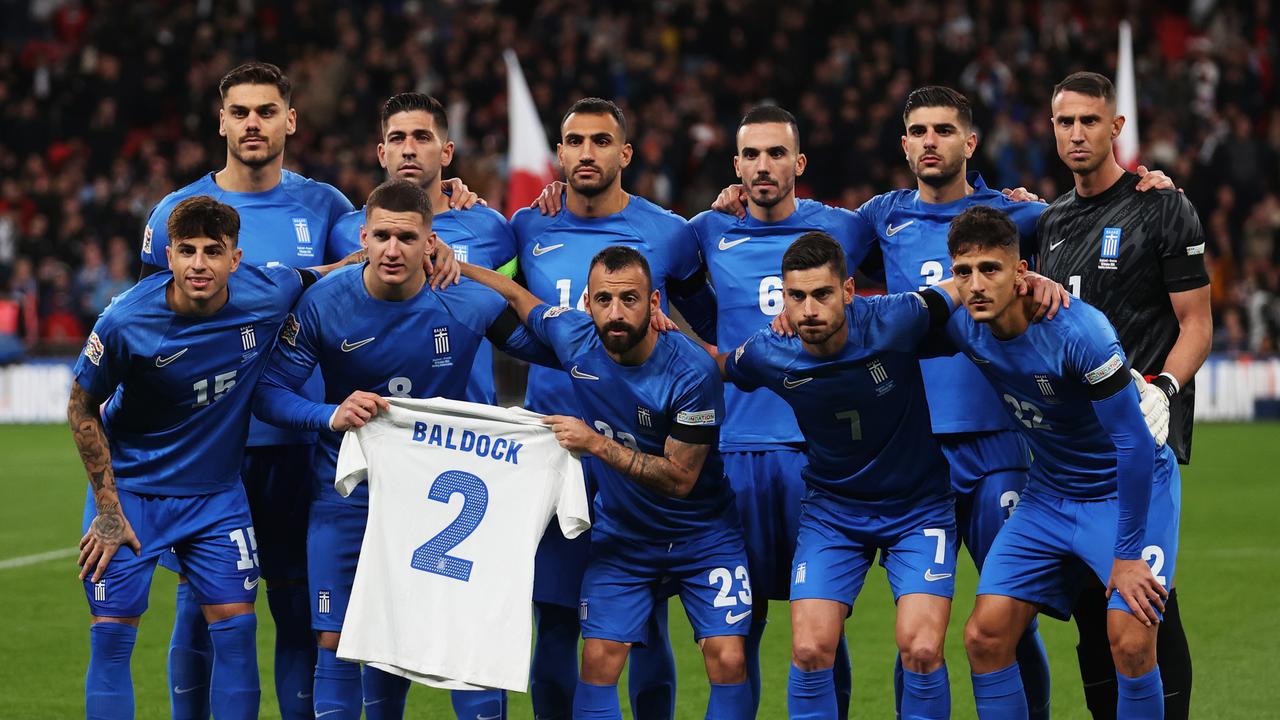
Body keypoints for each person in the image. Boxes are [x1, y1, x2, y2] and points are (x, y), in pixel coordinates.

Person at [709, 88, 1178, 718]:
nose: (931, 141)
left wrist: (1140, 185)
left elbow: (1085, 212)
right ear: (903, 144)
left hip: (998, 450)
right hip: (919, 447)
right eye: (918, 131)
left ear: (970, 142)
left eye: (944, 130)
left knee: (1012, 622)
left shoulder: (1020, 218)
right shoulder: (875, 218)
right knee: (923, 635)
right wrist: (740, 201)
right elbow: (808, 247)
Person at [252, 179, 554, 720]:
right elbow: (269, 393)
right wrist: (329, 414)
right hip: (347, 498)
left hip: (439, 502)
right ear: (363, 237)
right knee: (335, 641)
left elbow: (552, 347)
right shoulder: (323, 302)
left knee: (466, 635)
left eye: (408, 238)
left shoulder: (466, 302)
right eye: (383, 236)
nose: (394, 250)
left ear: (430, 242)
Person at [70, 196, 361, 720]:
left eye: (212, 251)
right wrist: (108, 509)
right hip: (134, 494)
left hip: (217, 498)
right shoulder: (126, 320)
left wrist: (379, 256)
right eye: (186, 251)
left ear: (236, 258)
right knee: (112, 637)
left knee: (236, 629)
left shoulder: (266, 290)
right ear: (169, 255)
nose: (199, 264)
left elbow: (322, 273)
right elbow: (81, 406)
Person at [135, 61, 356, 720]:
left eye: (266, 111)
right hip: (207, 450)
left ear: (291, 119)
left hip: (296, 441)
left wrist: (446, 196)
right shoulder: (176, 214)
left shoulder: (327, 208)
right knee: (201, 611)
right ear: (222, 120)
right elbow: (150, 326)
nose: (253, 123)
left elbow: (387, 248)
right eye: (241, 112)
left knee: (295, 607)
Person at [460, 246, 753, 720]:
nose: (615, 313)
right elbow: (514, 293)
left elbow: (679, 478)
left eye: (630, 299)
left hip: (704, 537)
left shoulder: (692, 373)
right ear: (588, 302)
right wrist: (450, 266)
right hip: (625, 538)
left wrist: (595, 444)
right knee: (597, 661)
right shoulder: (577, 339)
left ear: (654, 302)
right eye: (602, 300)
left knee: (728, 656)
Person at [510, 97, 717, 719]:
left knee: (644, 617)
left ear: (624, 154)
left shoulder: (669, 234)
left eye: (602, 141)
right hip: (554, 449)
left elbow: (709, 337)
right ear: (561, 154)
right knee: (552, 616)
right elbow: (491, 303)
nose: (587, 153)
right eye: (575, 142)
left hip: (639, 449)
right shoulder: (528, 226)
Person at [941, 205, 1180, 719]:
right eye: (964, 272)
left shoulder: (1080, 333)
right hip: (1048, 496)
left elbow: (1135, 445)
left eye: (991, 270)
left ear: (1020, 271)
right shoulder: (963, 325)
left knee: (1131, 642)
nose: (977, 284)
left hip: (1124, 491)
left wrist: (1128, 553)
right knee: (984, 638)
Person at [720, 232, 959, 719]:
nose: (809, 309)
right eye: (797, 296)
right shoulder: (769, 350)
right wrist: (656, 329)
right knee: (809, 649)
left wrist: (1030, 277)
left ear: (849, 291)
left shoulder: (896, 317)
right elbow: (720, 365)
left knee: (921, 649)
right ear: (782, 297)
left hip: (918, 509)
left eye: (822, 294)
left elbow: (961, 287)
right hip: (834, 513)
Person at [1033, 71, 1210, 720]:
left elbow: (1198, 323)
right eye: (1064, 121)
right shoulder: (1046, 222)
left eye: (1088, 120)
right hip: (1072, 449)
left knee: (1148, 603)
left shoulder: (1162, 206)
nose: (1076, 132)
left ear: (1116, 127)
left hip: (1142, 436)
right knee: (1089, 608)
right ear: (1051, 129)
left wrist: (1164, 387)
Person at [333, 92, 513, 409]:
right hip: (375, 423)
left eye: (422, 137)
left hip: (468, 426)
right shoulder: (344, 232)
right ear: (381, 153)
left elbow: (515, 307)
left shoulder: (491, 229)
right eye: (397, 138)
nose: (408, 150)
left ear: (446, 153)